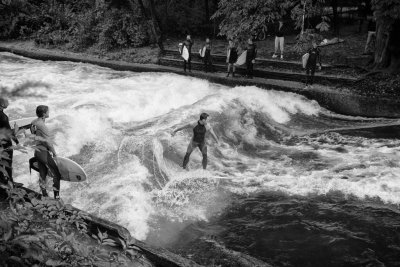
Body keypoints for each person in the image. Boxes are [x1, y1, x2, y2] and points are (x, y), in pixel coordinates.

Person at [30, 105, 62, 199]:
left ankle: (44, 195)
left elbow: (32, 132)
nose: (49, 113)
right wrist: (54, 153)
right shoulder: (42, 126)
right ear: (44, 114)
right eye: (48, 111)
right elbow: (48, 142)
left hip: (37, 151)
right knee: (56, 174)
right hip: (43, 153)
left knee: (42, 173)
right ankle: (57, 197)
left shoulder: (34, 122)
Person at [0, 97, 19, 185]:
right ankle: (10, 181)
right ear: (2, 104)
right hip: (5, 142)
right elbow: (9, 131)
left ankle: (2, 179)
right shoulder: (3, 117)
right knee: (8, 162)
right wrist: (17, 141)